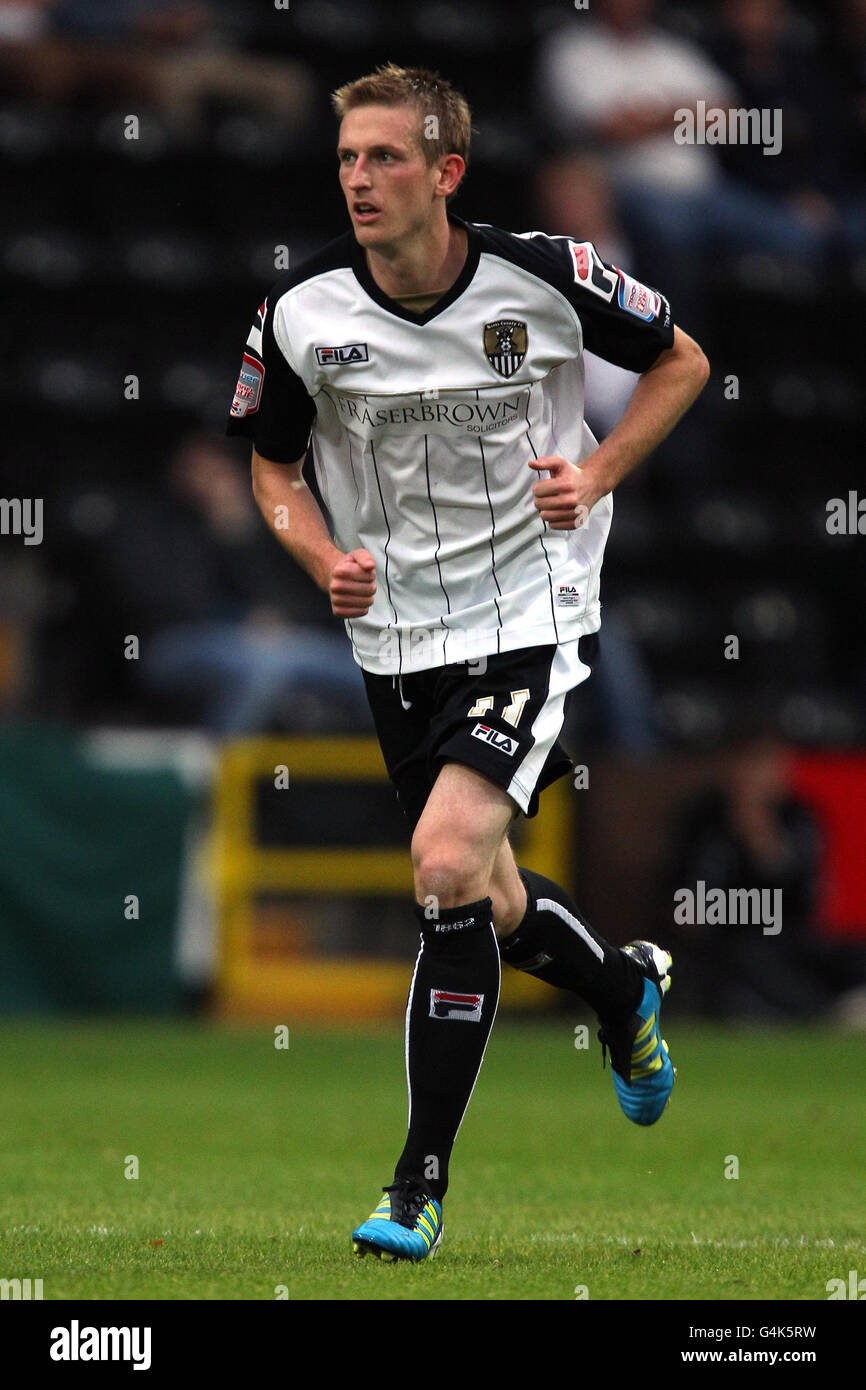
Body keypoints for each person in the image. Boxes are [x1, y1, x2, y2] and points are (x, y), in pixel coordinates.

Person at [226, 64, 709, 1263]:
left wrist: (594, 475)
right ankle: (617, 992)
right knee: (481, 894)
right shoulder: (299, 313)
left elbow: (682, 361)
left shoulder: (540, 277)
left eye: (385, 157)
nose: (359, 179)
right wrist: (317, 556)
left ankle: (415, 1188)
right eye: (347, 159)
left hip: (529, 611)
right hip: (396, 636)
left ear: (445, 173)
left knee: (440, 864)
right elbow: (273, 474)